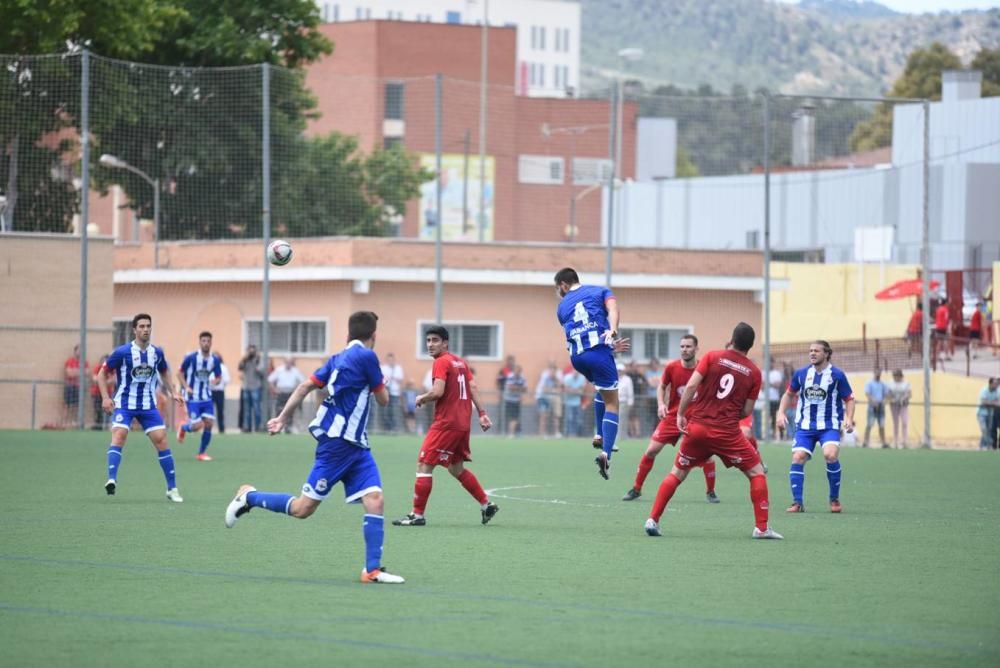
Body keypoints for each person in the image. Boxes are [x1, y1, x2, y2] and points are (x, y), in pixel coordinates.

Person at [224, 311, 404, 584]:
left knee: (375, 500)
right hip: (335, 445)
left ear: (348, 333)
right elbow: (383, 400)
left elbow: (305, 386)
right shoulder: (367, 357)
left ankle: (372, 570)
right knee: (302, 509)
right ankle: (249, 497)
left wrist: (282, 418)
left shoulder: (335, 359)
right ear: (374, 336)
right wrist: (380, 385)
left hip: (356, 447)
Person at [644, 322, 781, 540]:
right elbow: (746, 410)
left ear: (732, 339)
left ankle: (653, 519)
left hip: (697, 428)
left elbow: (690, 387)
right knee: (756, 473)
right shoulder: (754, 372)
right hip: (727, 433)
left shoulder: (712, 356)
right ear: (750, 345)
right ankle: (762, 528)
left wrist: (680, 414)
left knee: (677, 473)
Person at [392, 326, 497, 527]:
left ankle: (417, 515)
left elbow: (438, 391)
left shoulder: (441, 362)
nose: (430, 344)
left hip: (446, 423)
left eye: (435, 340)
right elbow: (473, 387)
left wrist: (422, 397)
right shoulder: (461, 362)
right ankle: (486, 504)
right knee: (455, 468)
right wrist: (482, 414)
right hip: (462, 423)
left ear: (445, 343)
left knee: (424, 464)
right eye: (428, 340)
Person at [623, 334, 720, 504]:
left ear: (696, 349)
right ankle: (636, 489)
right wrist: (661, 404)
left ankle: (711, 492)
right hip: (673, 417)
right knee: (651, 450)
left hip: (696, 419)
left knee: (707, 456)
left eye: (688, 346)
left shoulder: (704, 369)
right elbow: (661, 386)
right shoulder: (672, 367)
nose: (685, 349)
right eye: (682, 346)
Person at [97, 313, 183, 502]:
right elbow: (101, 374)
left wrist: (173, 392)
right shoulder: (122, 352)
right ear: (134, 330)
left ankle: (172, 489)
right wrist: (105, 397)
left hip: (147, 405)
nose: (145, 329)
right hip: (124, 403)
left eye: (148, 326)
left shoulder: (157, 353)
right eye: (142, 326)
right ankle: (112, 480)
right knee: (119, 435)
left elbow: (165, 372)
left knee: (162, 441)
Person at [554, 266, 628, 479]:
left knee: (601, 388)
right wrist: (612, 330)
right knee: (613, 403)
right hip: (599, 355)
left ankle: (598, 434)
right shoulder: (600, 291)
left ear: (564, 285)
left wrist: (610, 348)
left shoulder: (561, 307)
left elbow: (581, 331)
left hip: (578, 358)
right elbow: (613, 310)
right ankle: (607, 453)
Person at [776, 340, 855, 514]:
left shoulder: (837, 375)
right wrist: (780, 412)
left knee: (830, 455)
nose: (812, 353)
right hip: (805, 426)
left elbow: (849, 398)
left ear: (827, 353)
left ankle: (834, 499)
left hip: (829, 426)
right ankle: (797, 502)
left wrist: (849, 418)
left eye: (816, 351)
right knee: (797, 457)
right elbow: (788, 394)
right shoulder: (801, 373)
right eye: (810, 351)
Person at [175, 331, 223, 460]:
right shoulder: (191, 358)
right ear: (200, 342)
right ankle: (184, 428)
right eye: (204, 341)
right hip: (193, 397)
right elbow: (179, 373)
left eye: (208, 341)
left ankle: (201, 453)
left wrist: (215, 381)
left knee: (209, 423)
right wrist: (186, 387)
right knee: (196, 426)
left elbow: (219, 377)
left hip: (206, 397)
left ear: (211, 343)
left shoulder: (215, 360)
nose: (206, 343)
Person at [268, 357, 305, 434]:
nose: (288, 363)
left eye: (290, 362)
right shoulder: (279, 370)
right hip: (281, 393)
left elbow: (302, 381)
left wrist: (296, 391)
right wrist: (274, 390)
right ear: (284, 362)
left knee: (290, 411)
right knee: (279, 410)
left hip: (291, 393)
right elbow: (270, 380)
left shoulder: (295, 371)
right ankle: (277, 427)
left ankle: (288, 427)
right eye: (287, 362)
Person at [238, 344, 266, 432]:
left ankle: (258, 427)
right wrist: (245, 359)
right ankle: (247, 427)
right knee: (247, 409)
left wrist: (255, 362)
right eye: (250, 351)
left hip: (256, 387)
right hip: (246, 387)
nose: (251, 353)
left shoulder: (258, 360)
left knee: (257, 408)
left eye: (253, 351)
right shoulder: (245, 360)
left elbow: (261, 372)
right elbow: (240, 367)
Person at [534, 361, 562, 438]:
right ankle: (542, 433)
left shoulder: (557, 377)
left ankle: (556, 432)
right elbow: (544, 389)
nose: (552, 372)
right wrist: (552, 390)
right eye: (551, 370)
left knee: (555, 415)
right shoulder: (545, 377)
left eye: (554, 370)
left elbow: (559, 387)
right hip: (543, 398)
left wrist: (555, 379)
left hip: (552, 398)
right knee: (544, 416)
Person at [379, 352, 405, 433]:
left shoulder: (398, 368)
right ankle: (386, 428)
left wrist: (393, 377)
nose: (390, 361)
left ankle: (394, 428)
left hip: (394, 393)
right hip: (386, 392)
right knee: (385, 411)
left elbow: (400, 379)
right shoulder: (383, 368)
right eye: (389, 360)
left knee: (393, 411)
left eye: (392, 360)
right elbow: (381, 379)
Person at [63, 344, 87, 428]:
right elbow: (69, 374)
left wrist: (76, 371)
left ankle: (75, 423)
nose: (80, 352)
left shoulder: (84, 362)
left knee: (76, 405)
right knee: (67, 405)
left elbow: (87, 372)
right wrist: (80, 372)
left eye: (82, 350)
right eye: (78, 350)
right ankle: (65, 423)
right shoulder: (70, 361)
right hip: (70, 386)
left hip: (79, 387)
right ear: (75, 351)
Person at [862, 370, 888, 449]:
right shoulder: (869, 383)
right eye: (877, 373)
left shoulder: (883, 384)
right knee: (869, 424)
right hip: (872, 407)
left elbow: (886, 394)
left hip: (881, 407)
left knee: (882, 425)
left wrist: (883, 401)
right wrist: (873, 401)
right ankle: (865, 442)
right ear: (874, 373)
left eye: (879, 373)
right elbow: (867, 394)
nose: (878, 374)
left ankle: (883, 442)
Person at [502, 365, 527, 437]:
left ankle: (512, 433)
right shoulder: (510, 376)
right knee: (509, 417)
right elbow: (510, 387)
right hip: (509, 400)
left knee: (515, 417)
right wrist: (519, 388)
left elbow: (525, 389)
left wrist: (516, 388)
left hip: (517, 401)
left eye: (519, 371)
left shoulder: (522, 378)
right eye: (516, 371)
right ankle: (509, 432)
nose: (518, 373)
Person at [562, 367, 586, 438]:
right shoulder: (567, 378)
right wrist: (576, 391)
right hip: (568, 402)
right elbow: (566, 390)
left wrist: (572, 390)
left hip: (577, 403)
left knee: (577, 419)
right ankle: (567, 434)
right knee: (569, 419)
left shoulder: (582, 378)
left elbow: (581, 391)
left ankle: (575, 434)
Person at [977, 377, 1000, 451]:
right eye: (995, 384)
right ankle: (989, 443)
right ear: (990, 384)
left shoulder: (997, 391)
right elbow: (983, 402)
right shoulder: (984, 390)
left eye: (997, 384)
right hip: (981, 413)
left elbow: (998, 403)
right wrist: (993, 403)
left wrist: (989, 403)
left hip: (990, 413)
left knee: (989, 430)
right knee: (984, 429)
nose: (997, 385)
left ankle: (982, 446)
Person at [212, 354, 230, 434]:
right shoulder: (209, 366)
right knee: (209, 411)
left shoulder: (223, 368)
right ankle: (208, 428)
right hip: (210, 391)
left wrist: (220, 383)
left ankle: (221, 428)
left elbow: (227, 380)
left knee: (220, 411)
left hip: (219, 391)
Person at [767, 358, 784, 439]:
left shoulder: (777, 373)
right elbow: (761, 386)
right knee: (767, 418)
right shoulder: (763, 373)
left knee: (776, 418)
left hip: (775, 399)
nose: (769, 364)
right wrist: (771, 384)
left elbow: (777, 385)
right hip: (765, 400)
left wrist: (767, 383)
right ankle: (768, 435)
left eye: (771, 363)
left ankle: (779, 435)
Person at [617, 363, 634, 440]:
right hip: (615, 401)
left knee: (622, 419)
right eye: (618, 370)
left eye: (620, 370)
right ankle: (619, 435)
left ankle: (621, 436)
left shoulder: (627, 379)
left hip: (624, 402)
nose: (619, 372)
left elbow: (630, 392)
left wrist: (630, 403)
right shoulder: (614, 378)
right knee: (618, 419)